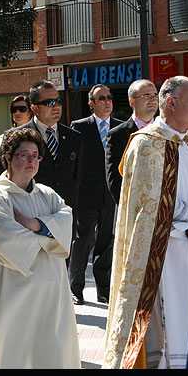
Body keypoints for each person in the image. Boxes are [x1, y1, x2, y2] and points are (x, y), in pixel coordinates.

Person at [103, 75, 188, 369]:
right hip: (162, 255)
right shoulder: (146, 145)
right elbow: (144, 208)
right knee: (167, 323)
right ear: (170, 102)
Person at [0, 127, 80, 368]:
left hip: (51, 293)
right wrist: (50, 234)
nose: (31, 161)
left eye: (36, 155)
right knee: (14, 351)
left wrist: (36, 224)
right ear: (8, 158)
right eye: (24, 155)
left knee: (50, 350)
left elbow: (67, 219)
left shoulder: (48, 195)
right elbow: (3, 237)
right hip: (13, 291)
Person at [69, 84, 123, 305]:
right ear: (91, 103)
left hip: (110, 197)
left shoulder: (120, 128)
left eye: (109, 97)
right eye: (101, 98)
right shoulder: (79, 127)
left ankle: (103, 289)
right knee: (82, 242)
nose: (107, 101)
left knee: (106, 242)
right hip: (85, 196)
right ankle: (76, 288)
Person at [20, 80, 81, 213]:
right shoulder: (18, 137)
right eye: (49, 103)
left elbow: (78, 178)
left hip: (65, 213)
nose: (56, 107)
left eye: (58, 102)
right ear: (35, 109)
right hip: (31, 212)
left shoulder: (74, 137)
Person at [105, 79, 158, 205]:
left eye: (155, 95)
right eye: (146, 96)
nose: (152, 99)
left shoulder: (166, 130)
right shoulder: (117, 135)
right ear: (132, 101)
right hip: (134, 208)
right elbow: (115, 180)